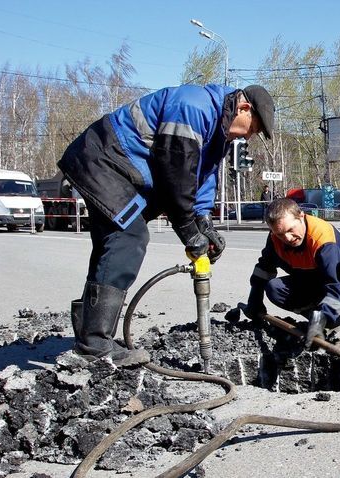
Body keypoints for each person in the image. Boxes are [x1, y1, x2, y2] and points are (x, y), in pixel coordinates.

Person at [58, 83, 275, 367]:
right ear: (244, 108)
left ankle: (90, 338)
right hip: (103, 159)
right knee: (129, 237)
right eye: (253, 128)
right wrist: (188, 232)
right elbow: (176, 176)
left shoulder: (219, 127)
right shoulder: (193, 107)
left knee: (111, 247)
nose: (250, 136)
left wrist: (204, 220)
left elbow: (204, 174)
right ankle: (94, 345)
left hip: (119, 168)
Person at [243, 199, 340, 354]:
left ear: (301, 216)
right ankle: (330, 322)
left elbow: (335, 289)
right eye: (280, 234)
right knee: (275, 288)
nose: (287, 238)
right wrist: (255, 299)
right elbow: (264, 269)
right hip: (315, 282)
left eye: (290, 230)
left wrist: (319, 320)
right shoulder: (275, 239)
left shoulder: (323, 241)